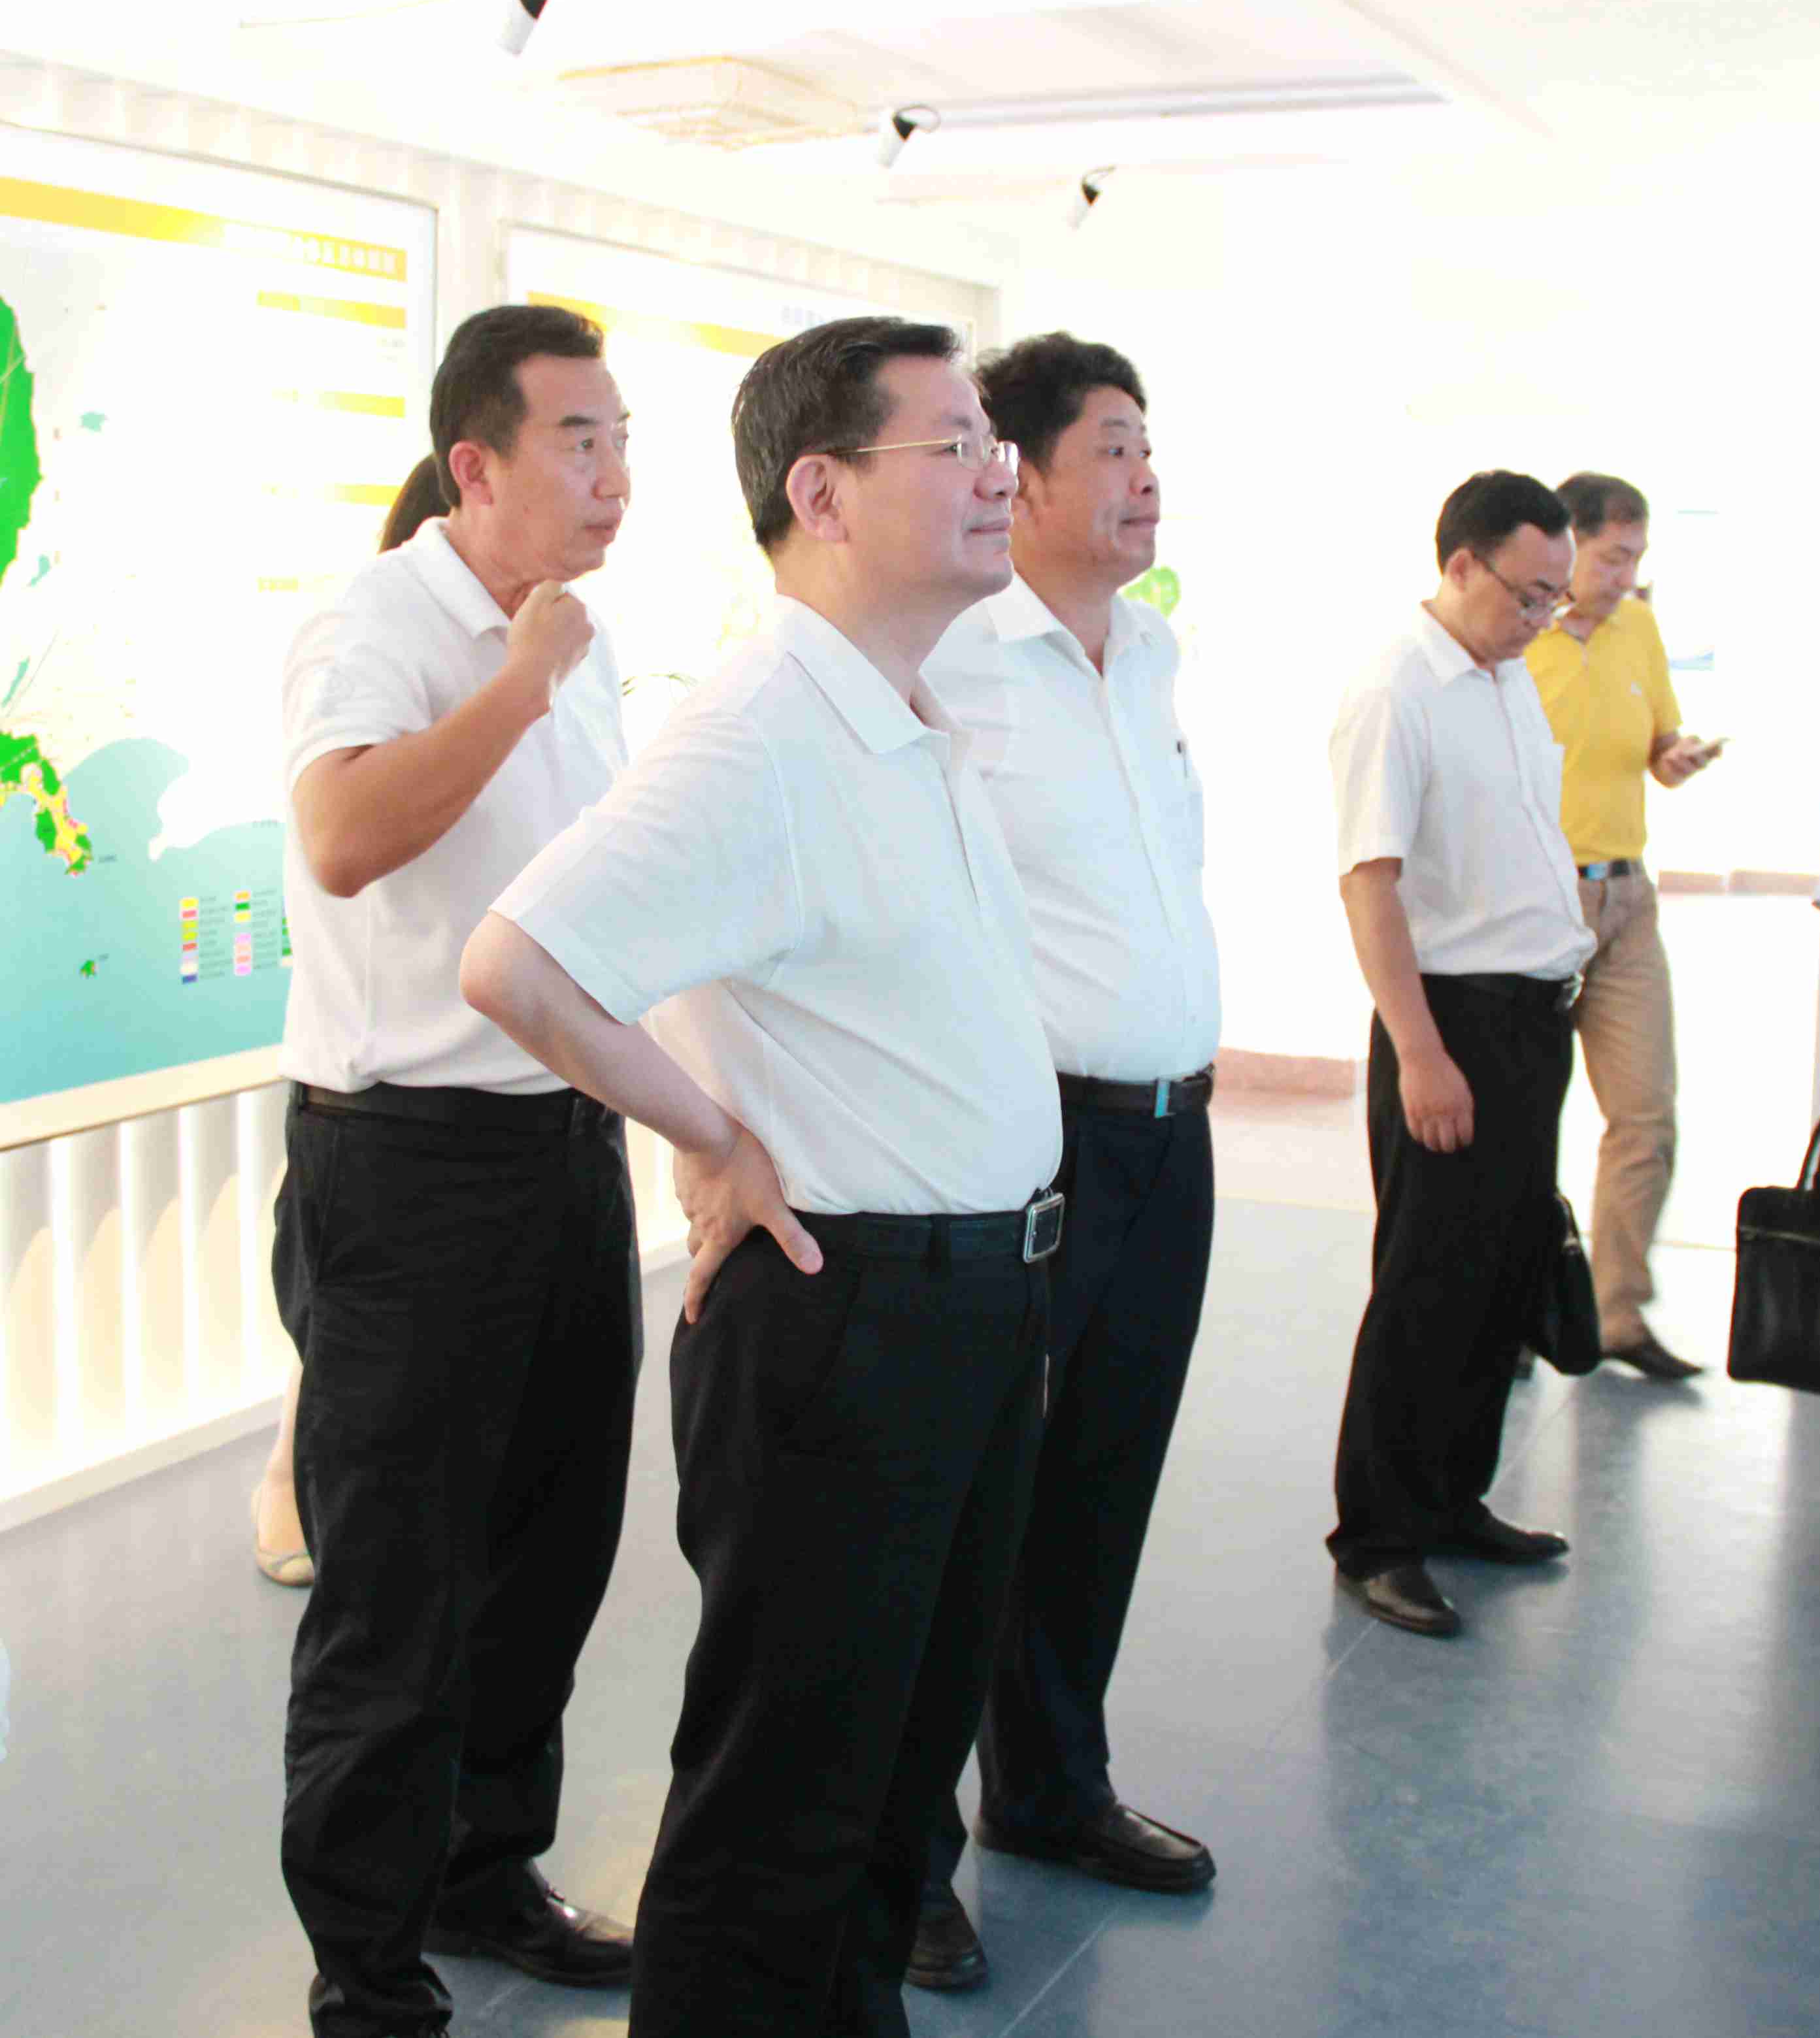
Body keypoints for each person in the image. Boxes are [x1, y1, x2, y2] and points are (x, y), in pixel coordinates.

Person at [459, 316, 1064, 2037]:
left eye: (995, 443)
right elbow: (518, 963)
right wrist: (710, 1132)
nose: (998, 474)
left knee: (888, 1801)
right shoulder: (762, 728)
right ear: (824, 490)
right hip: (852, 1319)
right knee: (780, 1819)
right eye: (954, 445)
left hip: (970, 1305)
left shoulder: (907, 708)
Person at [273, 308, 642, 2037]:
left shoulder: (580, 641)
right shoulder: (379, 622)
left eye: (623, 441)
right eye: (580, 440)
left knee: (550, 1550)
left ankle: (487, 1871)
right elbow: (346, 837)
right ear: (474, 463)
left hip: (568, 1145)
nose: (614, 475)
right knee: (396, 1585)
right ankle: (366, 1964)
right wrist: (519, 681)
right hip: (408, 1163)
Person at [908, 334, 1221, 1993]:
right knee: (978, 1503)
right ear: (1019, 476)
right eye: (1112, 446)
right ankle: (905, 1859)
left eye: (1147, 444)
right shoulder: (955, 662)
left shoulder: (1150, 650)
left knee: (1106, 1473)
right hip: (1032, 1144)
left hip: (1174, 1131)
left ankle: (1050, 1786)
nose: (1145, 474)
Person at [1324, 470, 1597, 1639]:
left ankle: (1452, 1500)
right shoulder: (1399, 693)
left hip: (1533, 1020)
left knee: (1502, 1274)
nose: (1542, 616)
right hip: (1452, 1022)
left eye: (1554, 597)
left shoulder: (1506, 679)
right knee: (1429, 1285)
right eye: (1528, 593)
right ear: (1461, 565)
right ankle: (1380, 1536)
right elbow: (1369, 884)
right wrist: (1422, 1054)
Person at [255, 453, 455, 1593]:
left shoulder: (550, 668)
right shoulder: (354, 646)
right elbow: (344, 846)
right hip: (376, 1111)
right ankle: (286, 1482)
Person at [1522, 472, 1721, 1381]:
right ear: (1567, 547)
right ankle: (1514, 1311)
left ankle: (1615, 1315)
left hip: (1628, 899)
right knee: (1526, 1120)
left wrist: (1675, 757)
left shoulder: (1638, 627)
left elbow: (1656, 746)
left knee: (1646, 1116)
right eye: (1611, 557)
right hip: (1539, 902)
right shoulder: (1519, 639)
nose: (1625, 575)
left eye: (1636, 557)